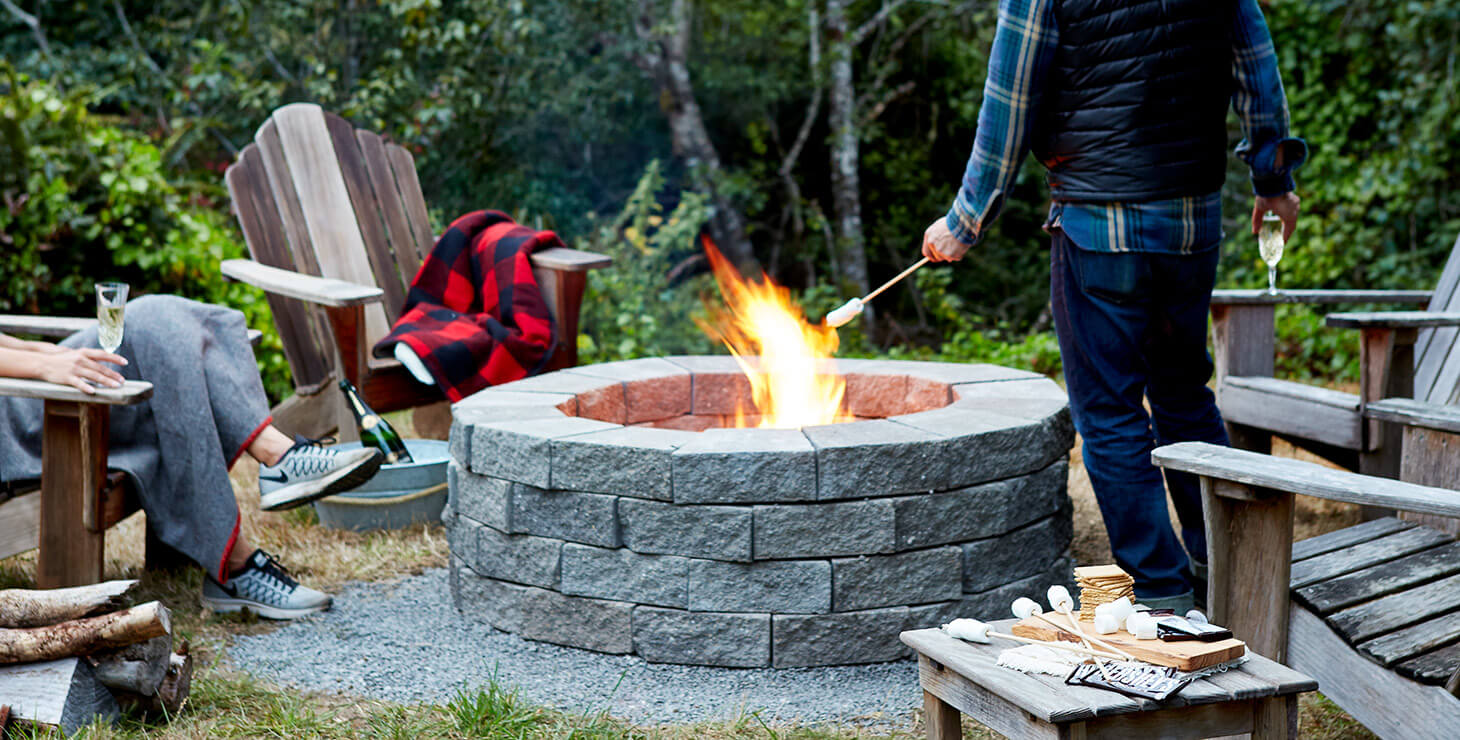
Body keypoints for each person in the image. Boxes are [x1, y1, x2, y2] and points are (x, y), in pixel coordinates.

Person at [921, 0, 1306, 611]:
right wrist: (1272, 181)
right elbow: (1257, 71)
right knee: (1183, 392)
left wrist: (965, 222)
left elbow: (1010, 102)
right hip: (1191, 222)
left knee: (1109, 410)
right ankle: (1228, 566)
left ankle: (1161, 592)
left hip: (1098, 226)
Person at [0, 295, 384, 619]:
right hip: (14, 416)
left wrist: (43, 351)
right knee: (151, 322)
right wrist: (43, 364)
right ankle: (242, 550)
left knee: (178, 320)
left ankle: (276, 459)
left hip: (25, 377)